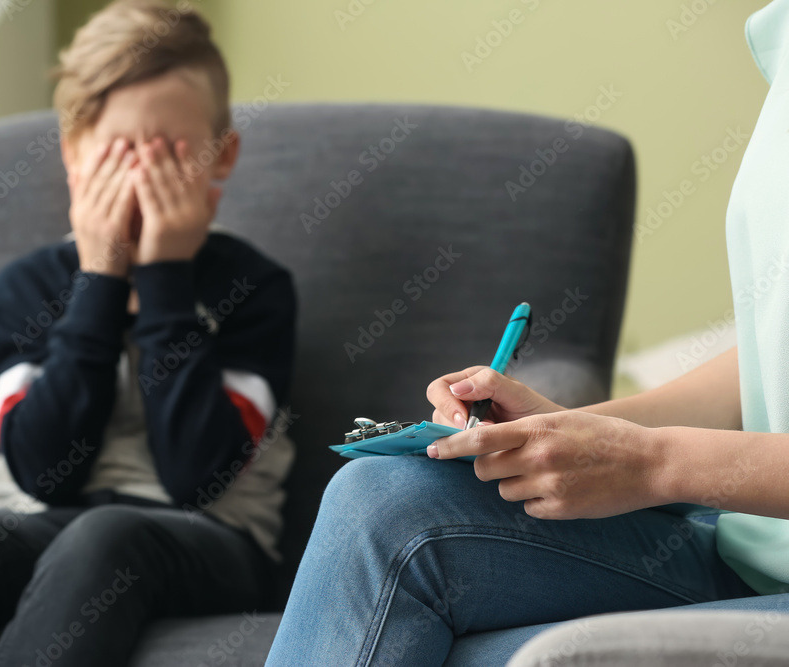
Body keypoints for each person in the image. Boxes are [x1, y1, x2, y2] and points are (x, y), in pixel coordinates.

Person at [265, 2, 789, 665]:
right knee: (385, 502)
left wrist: (657, 462)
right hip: (749, 553)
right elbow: (770, 356)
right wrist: (567, 430)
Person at [0, 2, 296, 665]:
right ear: (74, 158)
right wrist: (101, 282)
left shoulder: (254, 289)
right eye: (117, 154)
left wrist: (166, 276)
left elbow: (197, 476)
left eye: (169, 154)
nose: (141, 180)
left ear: (220, 155)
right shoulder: (25, 290)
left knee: (106, 534)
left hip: (210, 538)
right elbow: (44, 470)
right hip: (37, 522)